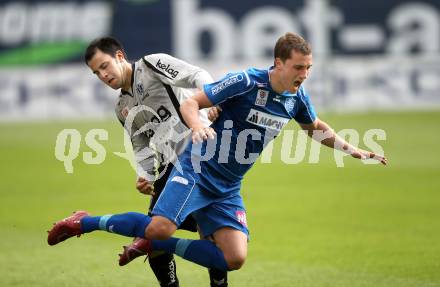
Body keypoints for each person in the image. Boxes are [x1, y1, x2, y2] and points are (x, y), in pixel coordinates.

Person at [48, 32, 387, 277]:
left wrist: (353, 150)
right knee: (159, 229)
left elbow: (314, 126)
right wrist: (196, 124)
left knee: (233, 258)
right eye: (299, 67)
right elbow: (193, 101)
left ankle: (157, 244)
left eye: (308, 67)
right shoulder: (245, 81)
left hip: (227, 184)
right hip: (195, 165)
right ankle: (84, 222)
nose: (304, 74)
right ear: (279, 63)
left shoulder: (296, 99)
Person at [80, 37, 228, 287]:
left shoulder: (152, 65)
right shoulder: (122, 107)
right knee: (154, 237)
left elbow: (197, 75)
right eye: (96, 73)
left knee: (205, 235)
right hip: (170, 167)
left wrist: (212, 98)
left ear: (119, 56)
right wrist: (146, 175)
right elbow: (140, 145)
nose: (103, 75)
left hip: (200, 155)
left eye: (104, 66)